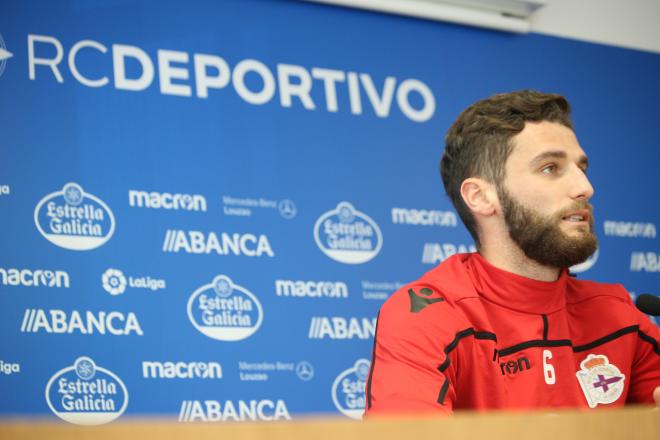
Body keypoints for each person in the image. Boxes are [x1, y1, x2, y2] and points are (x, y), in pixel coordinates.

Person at [365, 90, 660, 415]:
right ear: (480, 197)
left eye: (582, 167)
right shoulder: (428, 315)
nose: (585, 187)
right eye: (550, 168)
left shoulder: (616, 314)